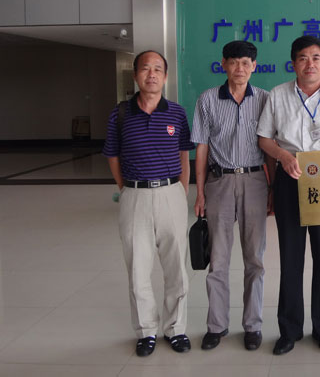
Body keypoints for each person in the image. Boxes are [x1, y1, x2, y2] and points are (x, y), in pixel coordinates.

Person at [257, 35, 320, 355]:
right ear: (293, 63)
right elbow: (264, 139)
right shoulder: (277, 95)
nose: (309, 63)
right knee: (290, 258)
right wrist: (283, 156)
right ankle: (289, 330)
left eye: (315, 58)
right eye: (302, 58)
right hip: (290, 179)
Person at [103, 50, 195, 357]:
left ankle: (176, 328)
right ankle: (146, 331)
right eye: (145, 68)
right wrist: (127, 189)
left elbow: (184, 154)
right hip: (135, 196)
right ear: (136, 75)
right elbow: (113, 156)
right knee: (137, 268)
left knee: (176, 266)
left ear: (165, 77)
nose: (151, 74)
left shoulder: (177, 113)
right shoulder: (120, 114)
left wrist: (181, 191)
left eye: (157, 69)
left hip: (171, 194)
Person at [191, 40, 273, 352]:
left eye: (246, 63)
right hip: (219, 182)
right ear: (223, 64)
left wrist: (272, 189)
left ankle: (253, 325)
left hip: (255, 182)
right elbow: (201, 147)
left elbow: (270, 148)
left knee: (255, 259)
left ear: (254, 66)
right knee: (218, 259)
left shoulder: (264, 99)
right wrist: (200, 192)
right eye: (234, 62)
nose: (240, 68)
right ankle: (216, 325)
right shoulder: (207, 99)